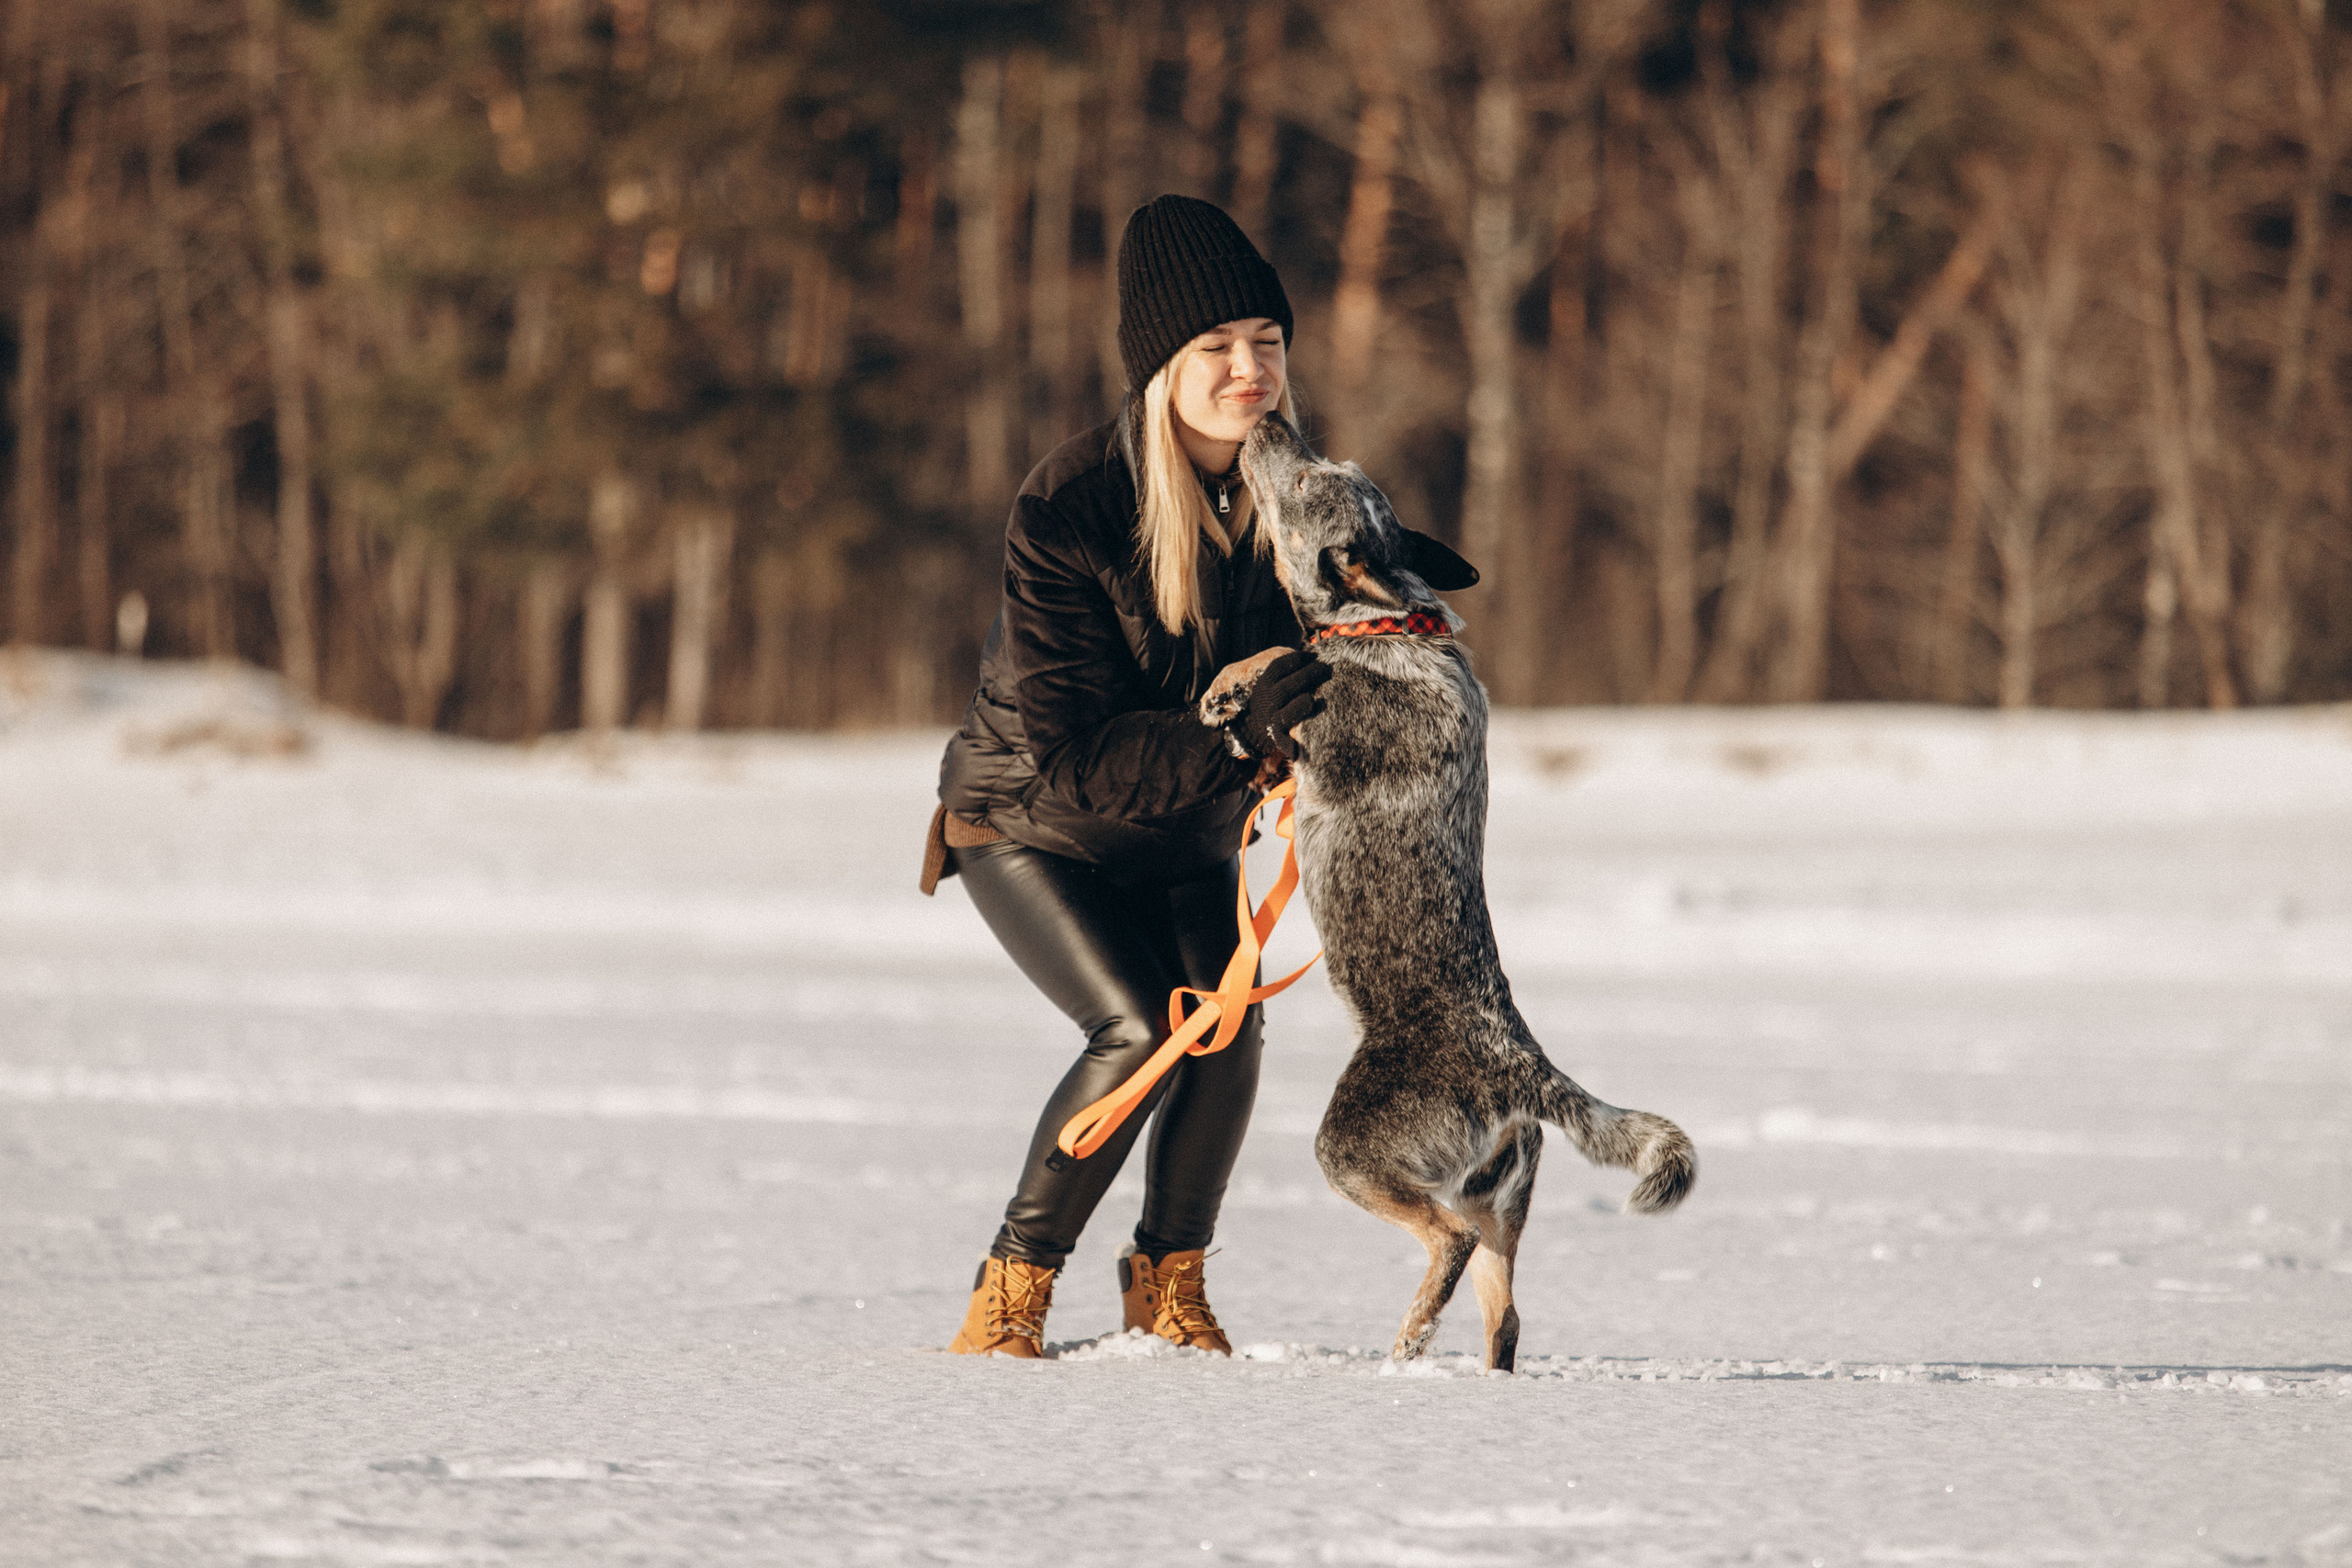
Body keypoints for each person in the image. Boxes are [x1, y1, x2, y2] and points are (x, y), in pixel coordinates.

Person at [919, 195, 1333, 1359]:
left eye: (1266, 341)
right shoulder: (1071, 506)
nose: (1247, 368)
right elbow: (1075, 753)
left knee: (1228, 1031)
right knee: (1146, 1026)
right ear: (1162, 368)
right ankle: (1013, 1284)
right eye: (1214, 347)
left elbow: (1348, 640)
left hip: (1184, 828)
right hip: (1029, 819)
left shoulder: (1298, 495)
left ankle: (1168, 1283)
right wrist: (1235, 731)